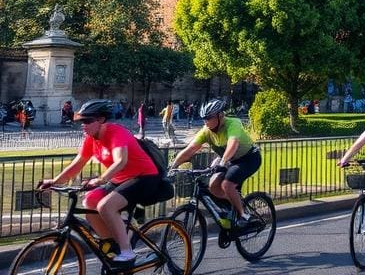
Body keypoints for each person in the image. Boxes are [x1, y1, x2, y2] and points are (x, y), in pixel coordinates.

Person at [39, 99, 162, 268]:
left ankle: (127, 253)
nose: (83, 125)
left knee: (106, 206)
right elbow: (77, 164)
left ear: (101, 120)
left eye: (88, 121)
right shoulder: (90, 139)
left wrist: (101, 179)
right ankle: (112, 243)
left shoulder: (116, 133)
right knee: (89, 200)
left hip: (145, 177)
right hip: (120, 180)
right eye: (82, 121)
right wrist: (53, 181)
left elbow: (121, 161)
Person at [170, 99, 262, 232]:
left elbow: (233, 144)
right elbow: (190, 150)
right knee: (213, 185)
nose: (205, 122)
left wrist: (223, 162)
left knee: (227, 184)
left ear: (219, 116)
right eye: (204, 119)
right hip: (230, 160)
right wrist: (173, 167)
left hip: (249, 158)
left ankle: (244, 215)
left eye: (208, 118)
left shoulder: (233, 123)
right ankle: (233, 206)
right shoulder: (206, 131)